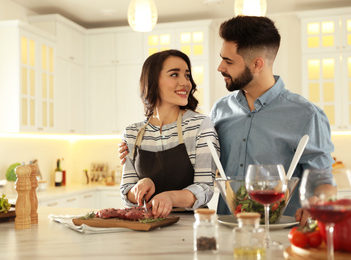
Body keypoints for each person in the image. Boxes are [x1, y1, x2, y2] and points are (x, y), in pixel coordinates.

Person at [119, 16, 337, 226]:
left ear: (257, 64)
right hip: (228, 228)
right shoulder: (220, 110)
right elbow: (196, 161)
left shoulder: (307, 115)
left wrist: (319, 203)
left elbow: (323, 181)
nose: (220, 67)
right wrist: (139, 153)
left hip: (280, 230)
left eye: (228, 61)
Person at [120, 49, 219, 219]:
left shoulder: (200, 125)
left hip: (191, 226)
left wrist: (170, 197)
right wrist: (140, 186)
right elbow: (126, 191)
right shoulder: (132, 133)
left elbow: (205, 188)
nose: (185, 82)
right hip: (145, 224)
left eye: (187, 76)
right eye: (174, 75)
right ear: (152, 81)